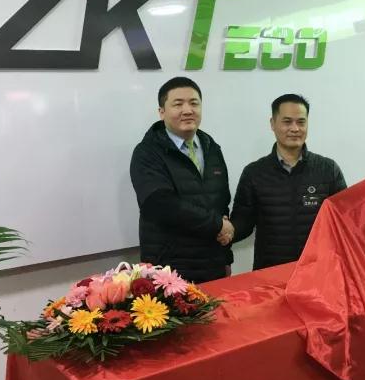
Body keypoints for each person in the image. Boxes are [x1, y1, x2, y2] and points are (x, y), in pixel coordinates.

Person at [130, 76, 234, 283]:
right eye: (178, 104)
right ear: (162, 112)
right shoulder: (147, 152)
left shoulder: (211, 147)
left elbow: (221, 202)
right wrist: (217, 225)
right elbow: (161, 204)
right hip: (169, 271)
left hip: (212, 265)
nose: (187, 110)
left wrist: (226, 256)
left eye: (194, 103)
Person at [230, 94, 347, 270]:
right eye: (287, 122)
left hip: (318, 271)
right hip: (270, 273)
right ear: (273, 123)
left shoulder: (328, 169)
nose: (295, 128)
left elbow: (344, 219)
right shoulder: (254, 173)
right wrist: (223, 229)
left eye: (301, 122)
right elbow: (243, 222)